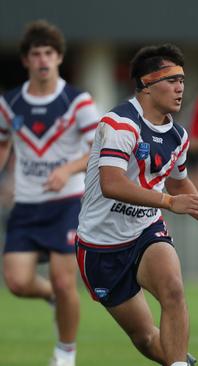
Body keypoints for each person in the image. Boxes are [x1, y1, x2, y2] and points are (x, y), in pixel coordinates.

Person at [75, 44, 198, 366]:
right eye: (172, 80)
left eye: (183, 79)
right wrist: (168, 201)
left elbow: (180, 183)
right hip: (100, 246)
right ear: (146, 86)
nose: (181, 87)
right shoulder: (119, 123)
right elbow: (112, 184)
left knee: (173, 290)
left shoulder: (178, 135)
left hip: (146, 230)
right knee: (145, 338)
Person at [0, 20, 100, 366]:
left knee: (63, 278)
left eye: (49, 54)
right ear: (26, 60)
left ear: (59, 58)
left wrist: (67, 170)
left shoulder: (77, 101)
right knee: (16, 282)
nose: (43, 60)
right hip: (27, 204)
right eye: (36, 54)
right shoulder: (9, 103)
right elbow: (2, 145)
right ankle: (53, 296)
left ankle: (65, 354)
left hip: (67, 202)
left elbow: (101, 150)